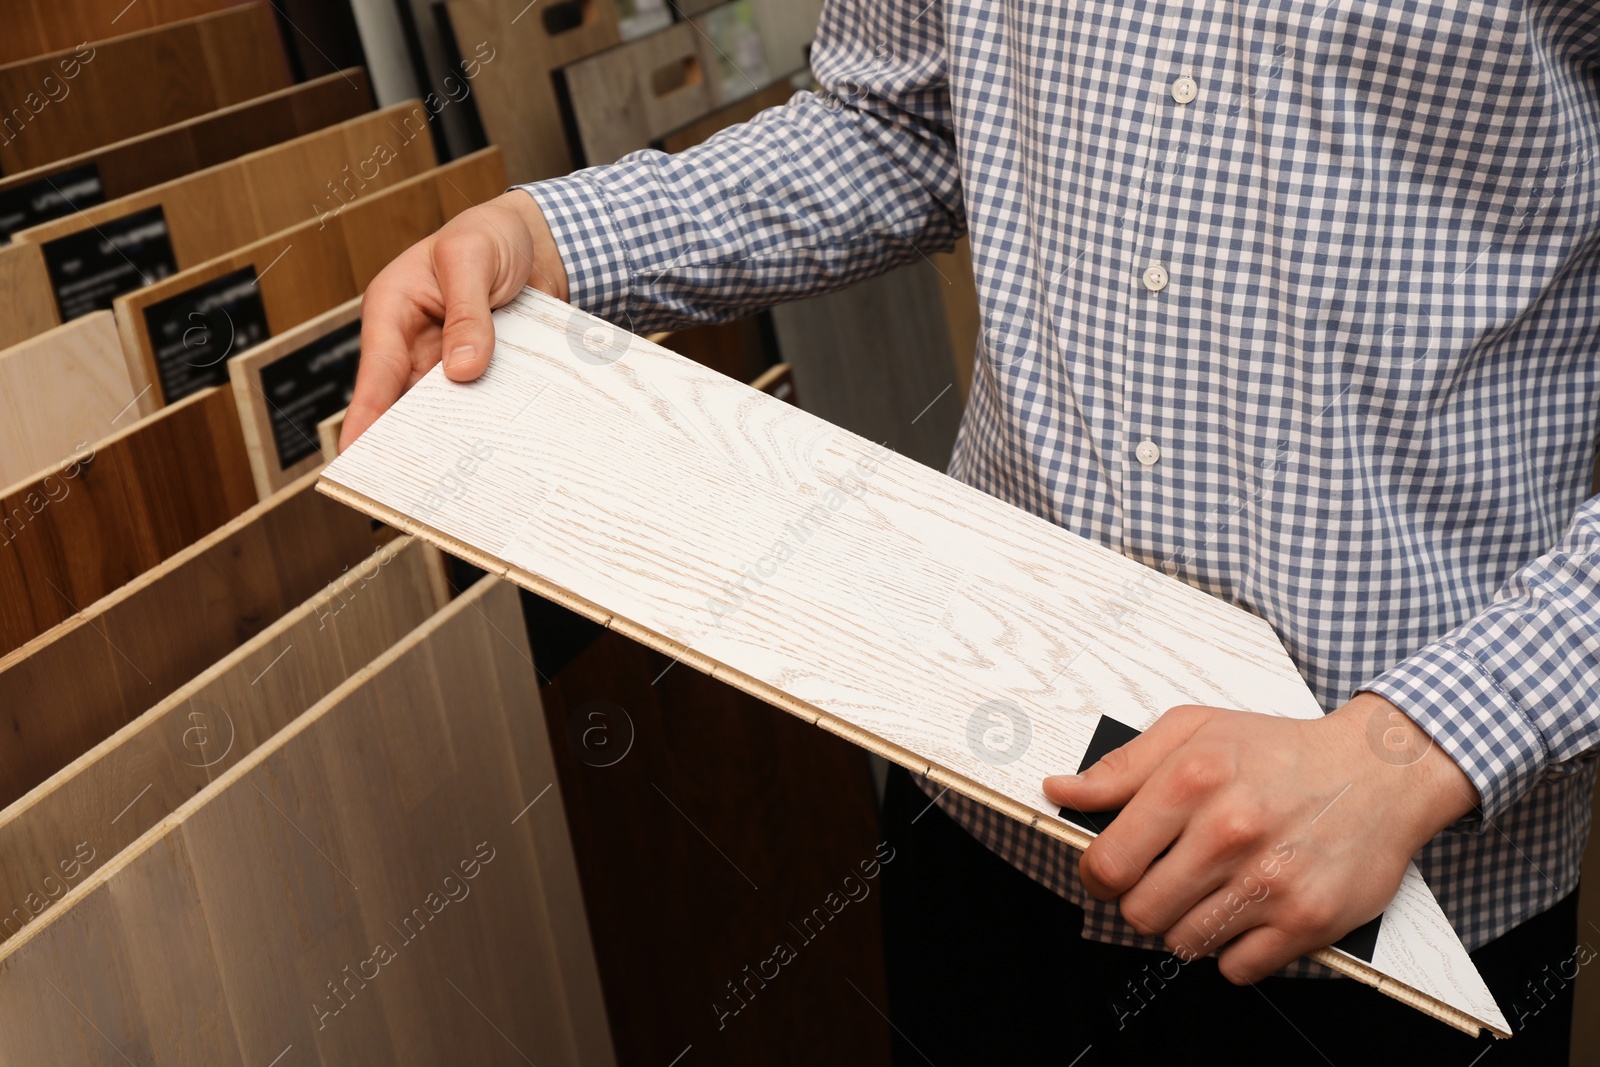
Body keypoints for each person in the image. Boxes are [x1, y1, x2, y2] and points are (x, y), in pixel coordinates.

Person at [345, 2, 1600, 1061]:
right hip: (996, 802)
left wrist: (1418, 742)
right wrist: (560, 237)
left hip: (1390, 909)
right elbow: (897, 130)